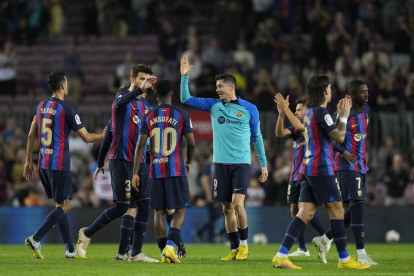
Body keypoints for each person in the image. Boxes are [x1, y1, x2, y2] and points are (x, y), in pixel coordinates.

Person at [272, 75, 370, 269]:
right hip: (322, 168)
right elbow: (340, 138)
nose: (331, 91)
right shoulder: (321, 113)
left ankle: (281, 256)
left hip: (308, 168)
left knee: (305, 213)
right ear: (326, 90)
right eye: (330, 88)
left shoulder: (308, 113)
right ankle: (344, 260)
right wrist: (343, 116)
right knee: (338, 210)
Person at [180, 56, 268, 261]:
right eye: (216, 86)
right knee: (226, 208)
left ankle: (245, 246)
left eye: (220, 86)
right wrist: (185, 78)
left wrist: (263, 163)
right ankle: (235, 248)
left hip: (241, 164)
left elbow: (257, 137)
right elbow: (185, 99)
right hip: (219, 165)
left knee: (238, 204)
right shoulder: (213, 105)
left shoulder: (249, 109)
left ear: (231, 87)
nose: (217, 89)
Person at [76, 65, 158, 261]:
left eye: (147, 79)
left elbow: (147, 136)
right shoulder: (121, 101)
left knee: (144, 206)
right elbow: (107, 139)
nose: (145, 83)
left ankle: (135, 253)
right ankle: (86, 234)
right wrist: (100, 162)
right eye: (141, 79)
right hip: (121, 160)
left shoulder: (146, 107)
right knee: (122, 207)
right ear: (132, 79)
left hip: (140, 163)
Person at [23, 71, 105, 259]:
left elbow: (30, 136)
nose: (67, 86)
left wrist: (28, 161)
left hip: (43, 163)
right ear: (62, 86)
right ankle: (36, 238)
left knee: (61, 205)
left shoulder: (41, 106)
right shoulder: (67, 110)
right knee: (66, 206)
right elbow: (87, 138)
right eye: (66, 83)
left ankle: (69, 249)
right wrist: (106, 135)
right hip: (59, 163)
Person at [312, 80, 377, 265]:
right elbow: (328, 138)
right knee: (358, 206)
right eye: (362, 92)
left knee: (355, 209)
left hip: (361, 164)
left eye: (367, 91)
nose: (366, 94)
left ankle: (324, 239)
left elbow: (361, 136)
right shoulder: (342, 113)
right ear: (352, 94)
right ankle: (362, 254)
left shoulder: (366, 111)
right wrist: (343, 151)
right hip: (346, 165)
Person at [132, 79, 195, 263]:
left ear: (156, 95)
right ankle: (169, 248)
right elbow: (191, 143)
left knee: (158, 212)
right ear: (172, 93)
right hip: (176, 168)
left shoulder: (148, 116)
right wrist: (189, 161)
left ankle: (163, 252)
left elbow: (140, 144)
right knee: (181, 208)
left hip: (155, 170)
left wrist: (135, 172)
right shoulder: (182, 114)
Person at [274, 96, 329, 257]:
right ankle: (303, 248)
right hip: (294, 175)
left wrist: (287, 108)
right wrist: (282, 114)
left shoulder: (311, 126)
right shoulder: (296, 129)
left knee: (304, 211)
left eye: (299, 109)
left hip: (308, 174)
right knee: (295, 210)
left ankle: (327, 236)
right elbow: (280, 133)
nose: (296, 112)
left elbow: (300, 125)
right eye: (295, 109)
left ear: (308, 110)